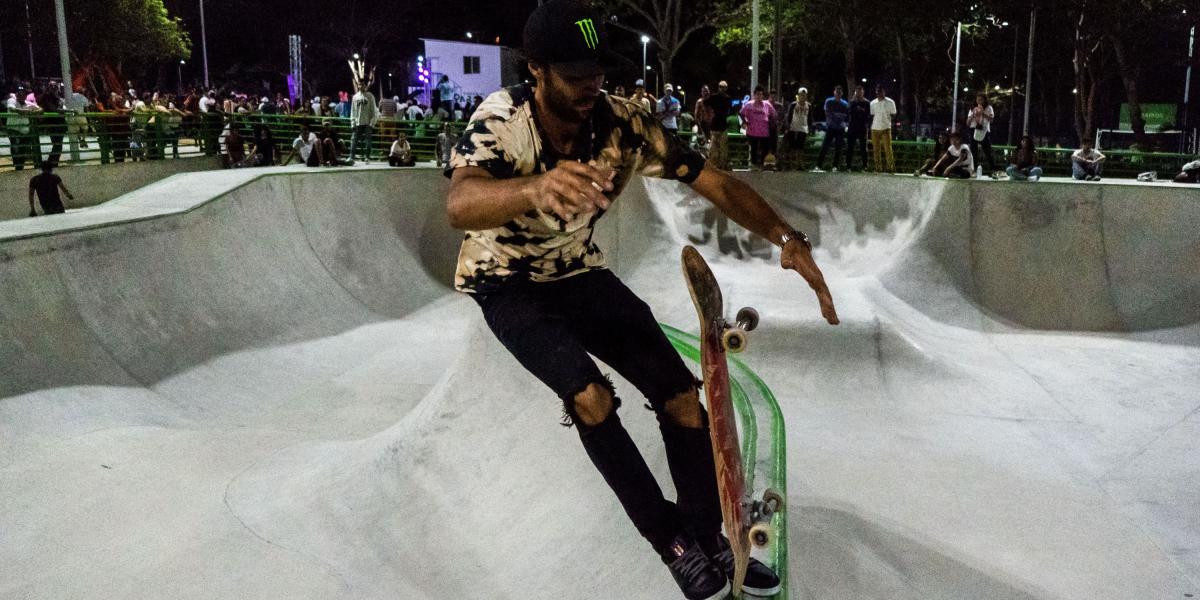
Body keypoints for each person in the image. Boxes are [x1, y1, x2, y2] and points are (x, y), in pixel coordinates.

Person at [444, 2, 837, 598]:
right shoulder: (500, 121)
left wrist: (786, 238)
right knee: (591, 397)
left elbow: (717, 183)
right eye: (574, 77)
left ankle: (709, 539)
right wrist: (533, 187)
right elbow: (461, 204)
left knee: (681, 396)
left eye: (597, 72)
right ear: (537, 71)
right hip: (506, 283)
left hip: (577, 274)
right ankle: (671, 542)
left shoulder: (625, 124)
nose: (590, 87)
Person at [349, 59, 380, 163]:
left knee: (368, 141)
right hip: (357, 122)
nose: (361, 86)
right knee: (354, 140)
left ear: (365, 85)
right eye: (359, 85)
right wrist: (352, 122)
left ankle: (367, 157)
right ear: (358, 86)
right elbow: (353, 110)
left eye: (362, 84)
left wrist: (372, 123)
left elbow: (374, 110)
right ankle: (352, 156)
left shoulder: (370, 96)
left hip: (367, 122)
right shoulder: (355, 97)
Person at [739, 86, 776, 169]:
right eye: (758, 94)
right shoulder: (749, 105)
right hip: (753, 131)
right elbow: (741, 113)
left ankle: (763, 164)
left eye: (761, 94)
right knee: (754, 149)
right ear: (754, 95)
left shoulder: (767, 105)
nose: (759, 96)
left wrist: (771, 122)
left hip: (764, 132)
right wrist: (744, 122)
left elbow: (774, 114)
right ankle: (754, 164)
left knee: (765, 149)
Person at [814, 85, 848, 172]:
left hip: (840, 128)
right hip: (831, 127)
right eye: (837, 92)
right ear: (834, 92)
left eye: (839, 92)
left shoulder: (845, 104)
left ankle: (835, 166)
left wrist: (835, 115)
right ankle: (818, 165)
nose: (838, 94)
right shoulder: (829, 101)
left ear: (842, 93)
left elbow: (846, 116)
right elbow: (828, 113)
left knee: (838, 148)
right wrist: (838, 115)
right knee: (825, 146)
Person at [967, 93, 997, 177]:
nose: (979, 101)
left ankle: (993, 169)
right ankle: (974, 170)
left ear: (985, 100)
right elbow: (968, 123)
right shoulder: (972, 108)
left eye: (981, 99)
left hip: (984, 130)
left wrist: (982, 113)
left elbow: (991, 120)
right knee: (973, 150)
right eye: (977, 99)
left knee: (987, 150)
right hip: (973, 129)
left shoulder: (989, 108)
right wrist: (973, 114)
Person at [869, 85, 897, 173]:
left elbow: (894, 114)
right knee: (876, 150)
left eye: (880, 91)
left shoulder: (890, 102)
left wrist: (887, 121)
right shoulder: (872, 103)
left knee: (888, 149)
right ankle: (878, 168)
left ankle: (890, 168)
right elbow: (872, 114)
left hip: (886, 128)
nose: (879, 93)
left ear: (884, 92)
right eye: (877, 92)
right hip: (875, 128)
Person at [706, 81, 733, 170]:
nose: (722, 89)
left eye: (723, 87)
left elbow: (705, 103)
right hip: (718, 123)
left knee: (720, 147)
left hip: (719, 123)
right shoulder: (725, 98)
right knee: (716, 147)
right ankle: (717, 165)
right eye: (721, 87)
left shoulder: (716, 97)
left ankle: (719, 166)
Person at [783, 87, 811, 171]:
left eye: (804, 95)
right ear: (798, 95)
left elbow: (810, 117)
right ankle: (793, 164)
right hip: (793, 128)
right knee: (792, 147)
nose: (803, 96)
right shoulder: (793, 104)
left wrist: (810, 127)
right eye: (801, 95)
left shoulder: (808, 105)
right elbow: (789, 116)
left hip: (803, 128)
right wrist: (787, 127)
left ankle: (800, 164)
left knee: (800, 147)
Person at [844, 85, 870, 171]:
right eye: (857, 92)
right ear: (855, 92)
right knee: (850, 147)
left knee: (863, 148)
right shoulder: (852, 102)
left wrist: (861, 111)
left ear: (863, 92)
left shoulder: (867, 103)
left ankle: (865, 166)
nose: (859, 93)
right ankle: (848, 166)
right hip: (852, 127)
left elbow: (868, 116)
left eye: (860, 91)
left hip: (862, 127)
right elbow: (848, 113)